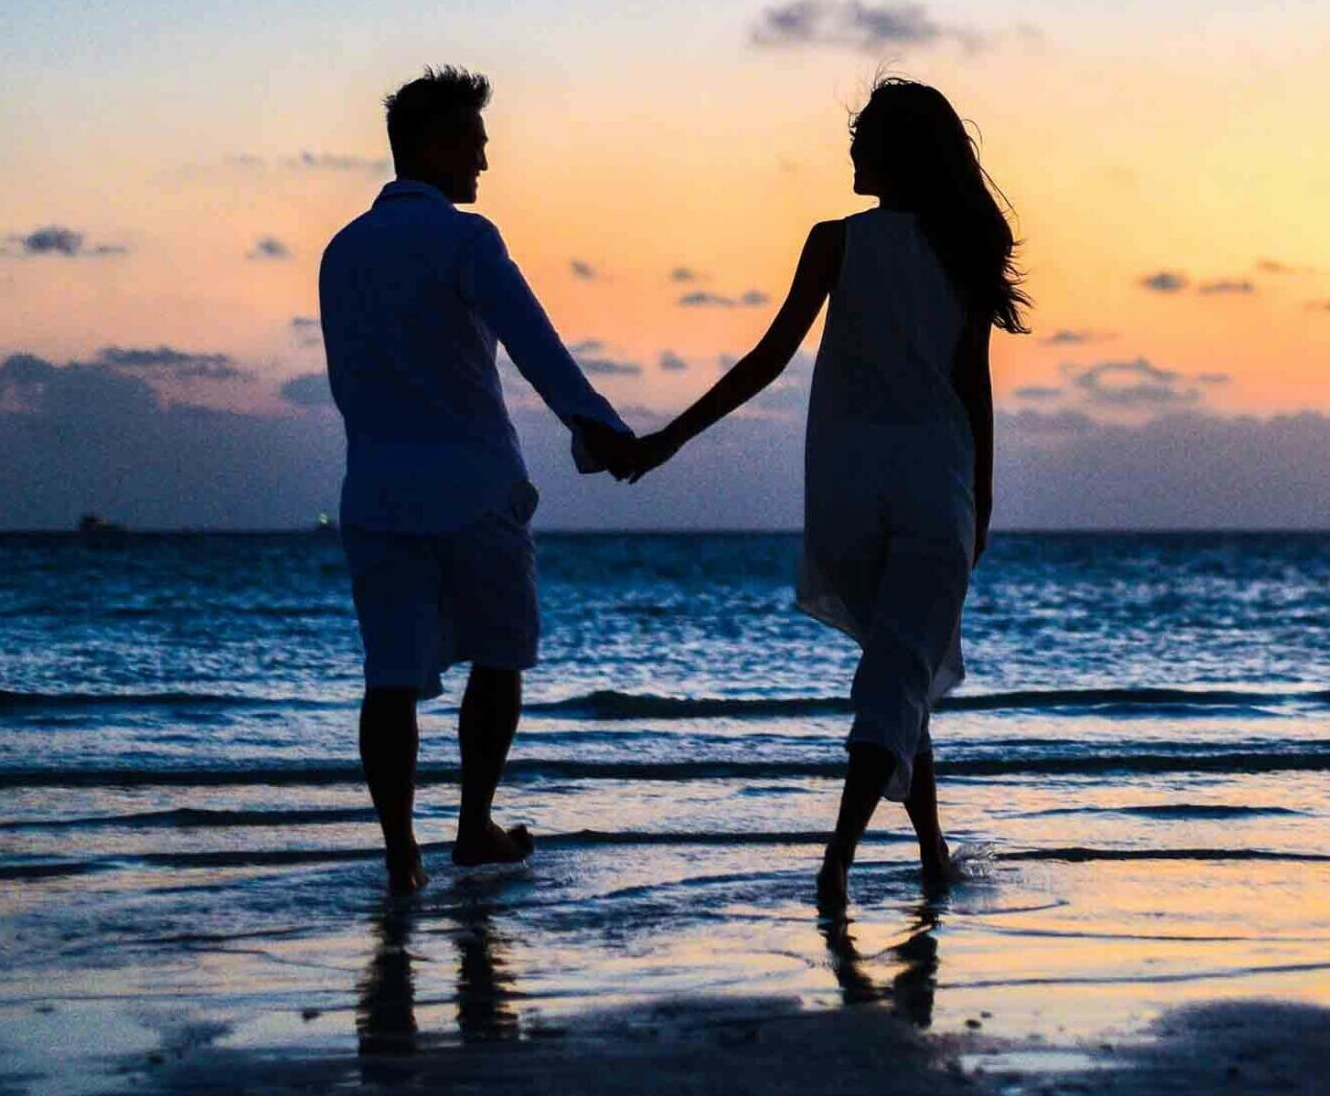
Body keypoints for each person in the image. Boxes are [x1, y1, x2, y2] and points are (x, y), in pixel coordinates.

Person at [625, 77, 1028, 909]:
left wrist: (670, 439)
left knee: (900, 671)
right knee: (895, 678)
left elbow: (767, 360)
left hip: (848, 497)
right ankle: (837, 863)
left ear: (896, 152)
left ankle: (931, 852)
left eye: (861, 136)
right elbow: (972, 388)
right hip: (934, 490)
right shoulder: (961, 249)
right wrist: (982, 503)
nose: (849, 148)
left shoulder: (835, 241)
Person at [319, 66, 636, 894]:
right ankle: (471, 826)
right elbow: (534, 343)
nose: (484, 165)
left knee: (390, 677)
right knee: (499, 657)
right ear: (431, 145)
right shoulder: (467, 239)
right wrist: (598, 430)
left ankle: (400, 853)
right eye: (474, 144)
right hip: (472, 485)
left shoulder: (341, 251)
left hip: (377, 489)